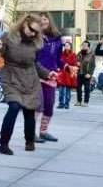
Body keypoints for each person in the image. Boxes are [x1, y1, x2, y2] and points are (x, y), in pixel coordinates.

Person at [0, 15, 53, 155]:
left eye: (35, 31)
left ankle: (29, 141)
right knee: (14, 107)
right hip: (11, 76)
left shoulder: (36, 43)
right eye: (31, 29)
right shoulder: (8, 37)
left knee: (29, 110)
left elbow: (35, 64)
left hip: (30, 79)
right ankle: (3, 144)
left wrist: (47, 74)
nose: (32, 33)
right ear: (23, 24)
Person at [35, 13, 62, 142]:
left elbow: (58, 57)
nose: (43, 21)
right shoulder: (34, 37)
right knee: (37, 105)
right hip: (37, 74)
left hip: (52, 75)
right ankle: (31, 133)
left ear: (49, 21)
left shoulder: (57, 38)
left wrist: (65, 66)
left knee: (49, 104)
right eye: (40, 19)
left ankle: (43, 131)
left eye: (45, 19)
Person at [56, 39, 78, 110]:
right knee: (61, 90)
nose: (66, 47)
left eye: (68, 45)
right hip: (62, 74)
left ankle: (67, 104)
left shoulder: (73, 54)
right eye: (65, 45)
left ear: (70, 47)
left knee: (68, 90)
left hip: (69, 74)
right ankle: (61, 103)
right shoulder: (61, 54)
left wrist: (67, 65)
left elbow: (74, 64)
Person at [75, 41, 95, 106]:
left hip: (86, 74)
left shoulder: (91, 54)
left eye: (85, 45)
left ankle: (86, 102)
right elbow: (75, 61)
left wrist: (90, 73)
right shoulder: (79, 53)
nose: (83, 46)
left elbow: (93, 65)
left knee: (87, 88)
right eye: (83, 45)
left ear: (88, 47)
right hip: (79, 73)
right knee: (78, 88)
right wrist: (76, 63)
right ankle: (79, 101)